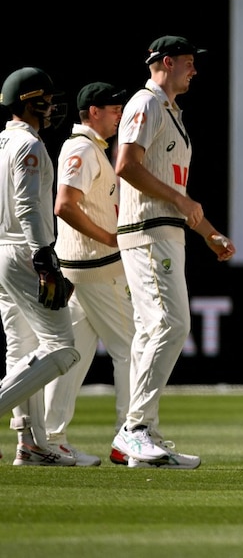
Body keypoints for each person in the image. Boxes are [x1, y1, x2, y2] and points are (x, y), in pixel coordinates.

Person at [111, 36, 235, 469]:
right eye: (188, 63)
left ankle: (142, 434)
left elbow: (176, 191)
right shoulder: (145, 103)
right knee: (171, 323)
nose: (194, 70)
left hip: (163, 231)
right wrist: (182, 205)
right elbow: (125, 165)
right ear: (166, 62)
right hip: (147, 231)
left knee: (152, 332)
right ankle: (135, 430)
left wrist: (209, 233)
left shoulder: (170, 111)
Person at [43, 82, 133, 467]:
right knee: (134, 350)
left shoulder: (90, 148)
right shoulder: (82, 148)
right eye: (114, 109)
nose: (119, 115)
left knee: (72, 357)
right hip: (96, 270)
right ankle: (131, 436)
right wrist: (111, 238)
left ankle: (49, 440)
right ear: (93, 112)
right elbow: (64, 205)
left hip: (81, 271)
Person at [0, 66, 80, 466]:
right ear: (33, 102)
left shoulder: (1, 142)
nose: (52, 107)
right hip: (23, 253)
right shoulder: (29, 146)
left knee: (22, 348)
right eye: (47, 100)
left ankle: (29, 442)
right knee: (62, 349)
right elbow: (29, 204)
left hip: (3, 251)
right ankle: (28, 439)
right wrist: (44, 256)